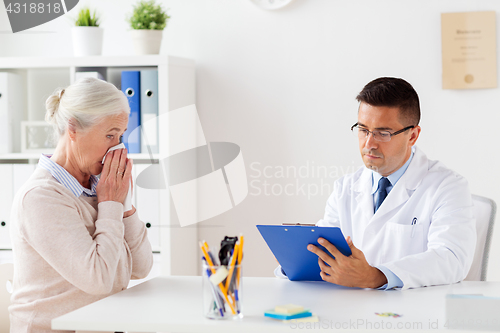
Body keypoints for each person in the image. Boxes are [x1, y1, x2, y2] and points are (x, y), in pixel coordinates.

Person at [279, 77, 476, 290]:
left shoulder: (448, 187)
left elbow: (452, 259)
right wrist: (297, 259)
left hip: (414, 316)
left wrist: (377, 276)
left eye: (383, 133)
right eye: (363, 130)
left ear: (412, 136)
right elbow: (326, 249)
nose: (369, 143)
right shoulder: (345, 187)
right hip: (351, 312)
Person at [9, 77, 153, 332]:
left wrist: (124, 203)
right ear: (72, 129)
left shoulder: (100, 187)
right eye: (110, 135)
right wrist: (110, 203)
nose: (117, 147)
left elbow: (141, 268)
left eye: (120, 135)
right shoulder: (41, 197)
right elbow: (97, 279)